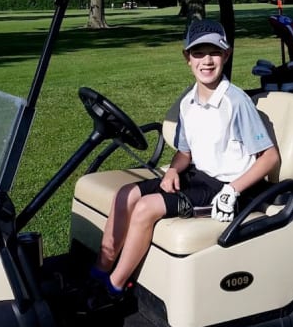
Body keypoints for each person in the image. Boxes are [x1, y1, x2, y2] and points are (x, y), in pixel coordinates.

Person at [84, 19, 281, 311]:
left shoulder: (236, 102)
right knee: (127, 194)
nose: (207, 60)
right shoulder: (188, 102)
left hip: (227, 190)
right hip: (197, 177)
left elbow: (270, 157)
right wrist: (174, 169)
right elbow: (184, 153)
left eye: (214, 52)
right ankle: (100, 271)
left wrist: (233, 190)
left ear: (225, 55)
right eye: (198, 53)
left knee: (146, 207)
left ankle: (114, 288)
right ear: (187, 58)